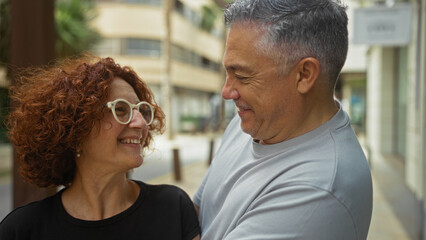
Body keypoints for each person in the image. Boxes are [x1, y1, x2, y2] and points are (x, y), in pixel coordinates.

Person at [193, 0, 372, 239]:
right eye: (228, 73)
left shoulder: (318, 190)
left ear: (304, 75)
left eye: (243, 76)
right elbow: (197, 215)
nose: (227, 92)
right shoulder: (250, 123)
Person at [0, 56, 200, 240]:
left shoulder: (172, 208)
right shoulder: (22, 230)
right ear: (76, 130)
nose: (140, 123)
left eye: (142, 110)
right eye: (120, 109)